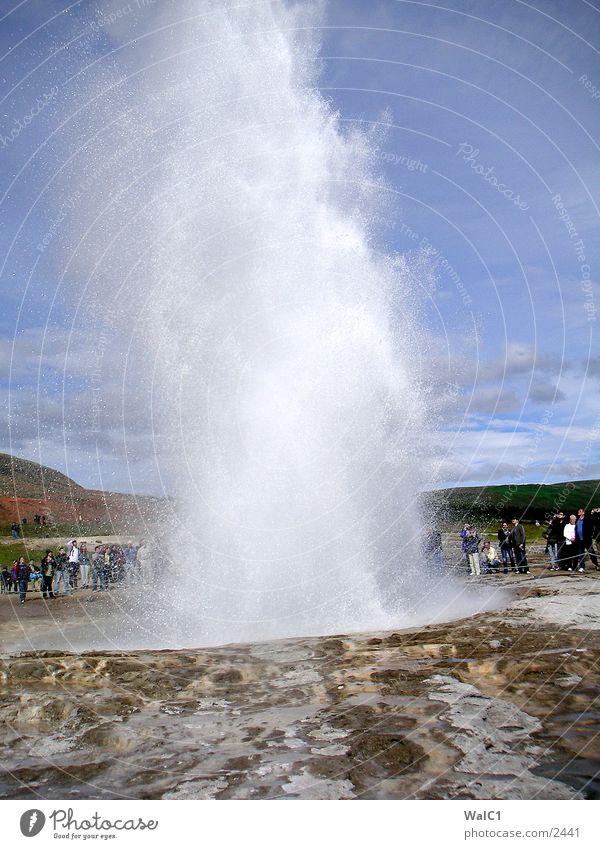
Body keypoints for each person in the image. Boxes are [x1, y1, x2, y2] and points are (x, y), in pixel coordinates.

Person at [575, 507, 598, 573]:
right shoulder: (577, 520)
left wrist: (594, 512)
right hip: (580, 540)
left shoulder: (587, 519)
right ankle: (582, 567)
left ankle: (596, 564)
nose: (579, 512)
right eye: (578, 511)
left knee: (591, 552)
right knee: (580, 554)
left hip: (587, 540)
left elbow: (592, 524)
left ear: (583, 512)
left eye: (580, 511)